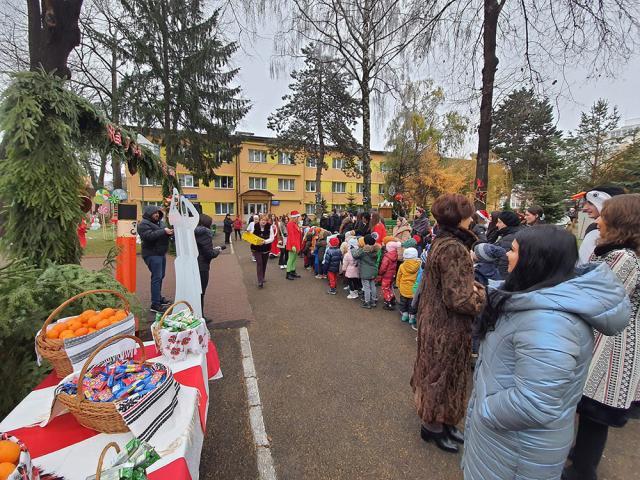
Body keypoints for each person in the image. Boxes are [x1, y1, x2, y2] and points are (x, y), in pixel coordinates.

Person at [463, 226, 631, 480]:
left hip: (516, 448)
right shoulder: (537, 302)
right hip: (509, 443)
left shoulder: (548, 322)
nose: (507, 255)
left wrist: (485, 410)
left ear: (535, 260)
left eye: (514, 251)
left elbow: (534, 402)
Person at [563, 194, 640, 480]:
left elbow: (600, 300)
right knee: (590, 414)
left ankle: (582, 471)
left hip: (611, 347)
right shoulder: (622, 253)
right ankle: (579, 456)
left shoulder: (623, 258)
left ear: (620, 221)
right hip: (609, 340)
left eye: (603, 216)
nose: (597, 220)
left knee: (595, 413)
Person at [410, 193, 486, 454]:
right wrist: (482, 295)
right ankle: (432, 427)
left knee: (444, 374)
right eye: (469, 214)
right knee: (440, 376)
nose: (473, 218)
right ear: (460, 217)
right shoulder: (453, 247)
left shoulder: (443, 241)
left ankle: (446, 421)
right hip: (446, 325)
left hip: (437, 319)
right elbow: (460, 299)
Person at [577, 185, 626, 266]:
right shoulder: (627, 229)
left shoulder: (596, 229)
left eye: (591, 203)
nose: (584, 208)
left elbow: (584, 264)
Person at [137, 205, 174, 312]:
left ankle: (158, 298)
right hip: (152, 254)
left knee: (161, 276)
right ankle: (155, 304)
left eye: (158, 213)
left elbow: (162, 234)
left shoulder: (160, 223)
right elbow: (148, 236)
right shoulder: (143, 224)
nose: (157, 214)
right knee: (156, 277)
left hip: (161, 253)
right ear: (149, 213)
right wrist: (164, 231)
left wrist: (169, 233)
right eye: (154, 213)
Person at [195, 214, 225, 319]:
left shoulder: (191, 232)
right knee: (200, 292)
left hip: (192, 265)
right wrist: (217, 250)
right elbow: (209, 254)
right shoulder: (205, 234)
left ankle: (194, 315)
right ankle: (200, 317)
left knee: (194, 292)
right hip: (201, 266)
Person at [352, 234, 381, 309]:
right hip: (373, 270)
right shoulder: (376, 250)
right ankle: (373, 300)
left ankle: (367, 302)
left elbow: (355, 255)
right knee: (373, 285)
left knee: (366, 287)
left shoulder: (363, 251)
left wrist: (353, 249)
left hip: (365, 271)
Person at [248, 214, 275, 288]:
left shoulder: (269, 226)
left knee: (264, 263)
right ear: (260, 220)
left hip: (266, 248)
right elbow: (250, 235)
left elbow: (272, 238)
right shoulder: (255, 226)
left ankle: (262, 277)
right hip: (256, 248)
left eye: (265, 220)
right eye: (262, 220)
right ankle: (260, 281)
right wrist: (248, 236)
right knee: (259, 263)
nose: (263, 222)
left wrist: (265, 242)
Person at [493, 210, 523, 276]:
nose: (496, 224)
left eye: (499, 222)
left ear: (507, 223)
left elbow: (503, 263)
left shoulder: (509, 239)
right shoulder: (511, 233)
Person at [396, 247, 420, 326]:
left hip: (403, 288)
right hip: (414, 289)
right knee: (412, 304)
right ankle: (412, 318)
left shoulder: (402, 266)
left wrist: (398, 285)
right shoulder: (419, 265)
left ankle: (404, 315)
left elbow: (399, 276)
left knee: (403, 302)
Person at [378, 240, 400, 310]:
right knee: (389, 287)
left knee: (385, 288)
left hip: (386, 275)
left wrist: (380, 273)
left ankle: (388, 302)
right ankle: (392, 298)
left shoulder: (387, 257)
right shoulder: (395, 255)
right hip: (392, 275)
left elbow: (383, 267)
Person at [286, 211, 302, 280]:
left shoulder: (295, 224)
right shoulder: (290, 224)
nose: (300, 218)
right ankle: (288, 273)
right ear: (295, 217)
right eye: (299, 217)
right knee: (291, 258)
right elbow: (291, 235)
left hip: (296, 244)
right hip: (292, 244)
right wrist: (293, 245)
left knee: (294, 259)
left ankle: (293, 271)